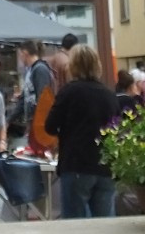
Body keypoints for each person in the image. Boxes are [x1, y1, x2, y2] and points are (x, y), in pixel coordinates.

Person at [44, 44, 120, 218]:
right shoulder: (109, 95)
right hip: (105, 167)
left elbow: (49, 126)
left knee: (75, 227)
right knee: (105, 226)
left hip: (76, 164)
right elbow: (117, 130)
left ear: (73, 66)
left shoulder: (69, 92)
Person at [19, 40, 54, 145]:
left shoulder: (40, 69)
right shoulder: (31, 70)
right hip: (33, 122)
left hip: (39, 124)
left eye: (20, 55)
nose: (20, 58)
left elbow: (43, 99)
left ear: (25, 53)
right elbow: (23, 98)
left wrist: (39, 124)